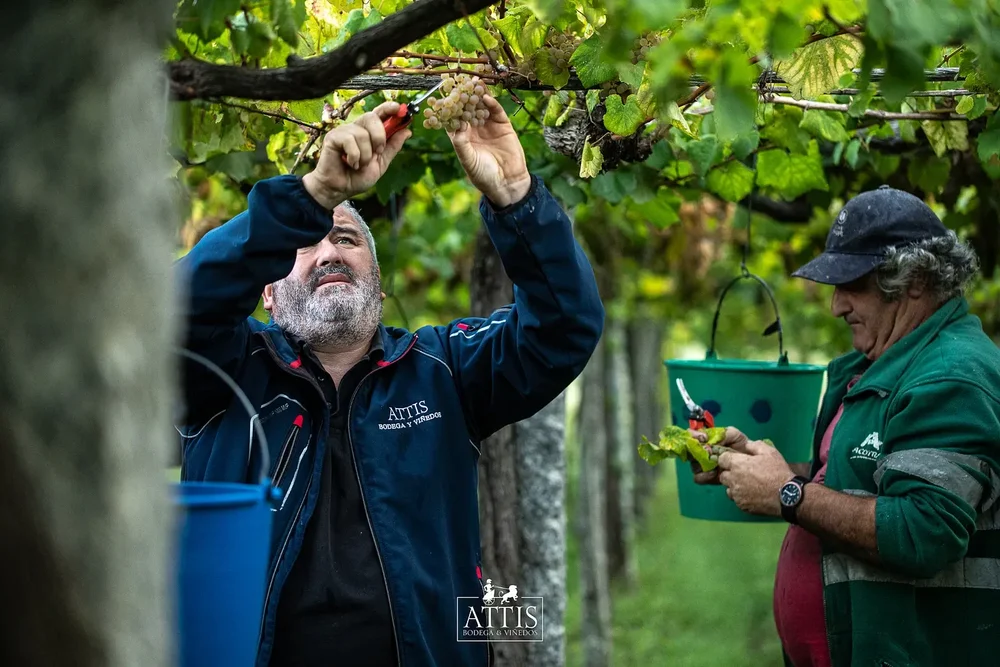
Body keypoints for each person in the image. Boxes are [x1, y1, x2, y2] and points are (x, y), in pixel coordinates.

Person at [174, 96, 604, 667]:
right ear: (267, 292)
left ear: (378, 288)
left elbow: (564, 328)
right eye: (304, 244)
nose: (328, 253)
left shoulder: (443, 369)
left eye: (347, 240)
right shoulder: (223, 371)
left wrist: (516, 197)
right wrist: (312, 196)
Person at [690, 186, 1000, 667]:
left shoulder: (951, 375)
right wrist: (758, 468)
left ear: (915, 281)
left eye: (851, 284)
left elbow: (924, 530)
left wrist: (788, 493)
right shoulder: (879, 365)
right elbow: (857, 481)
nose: (836, 306)